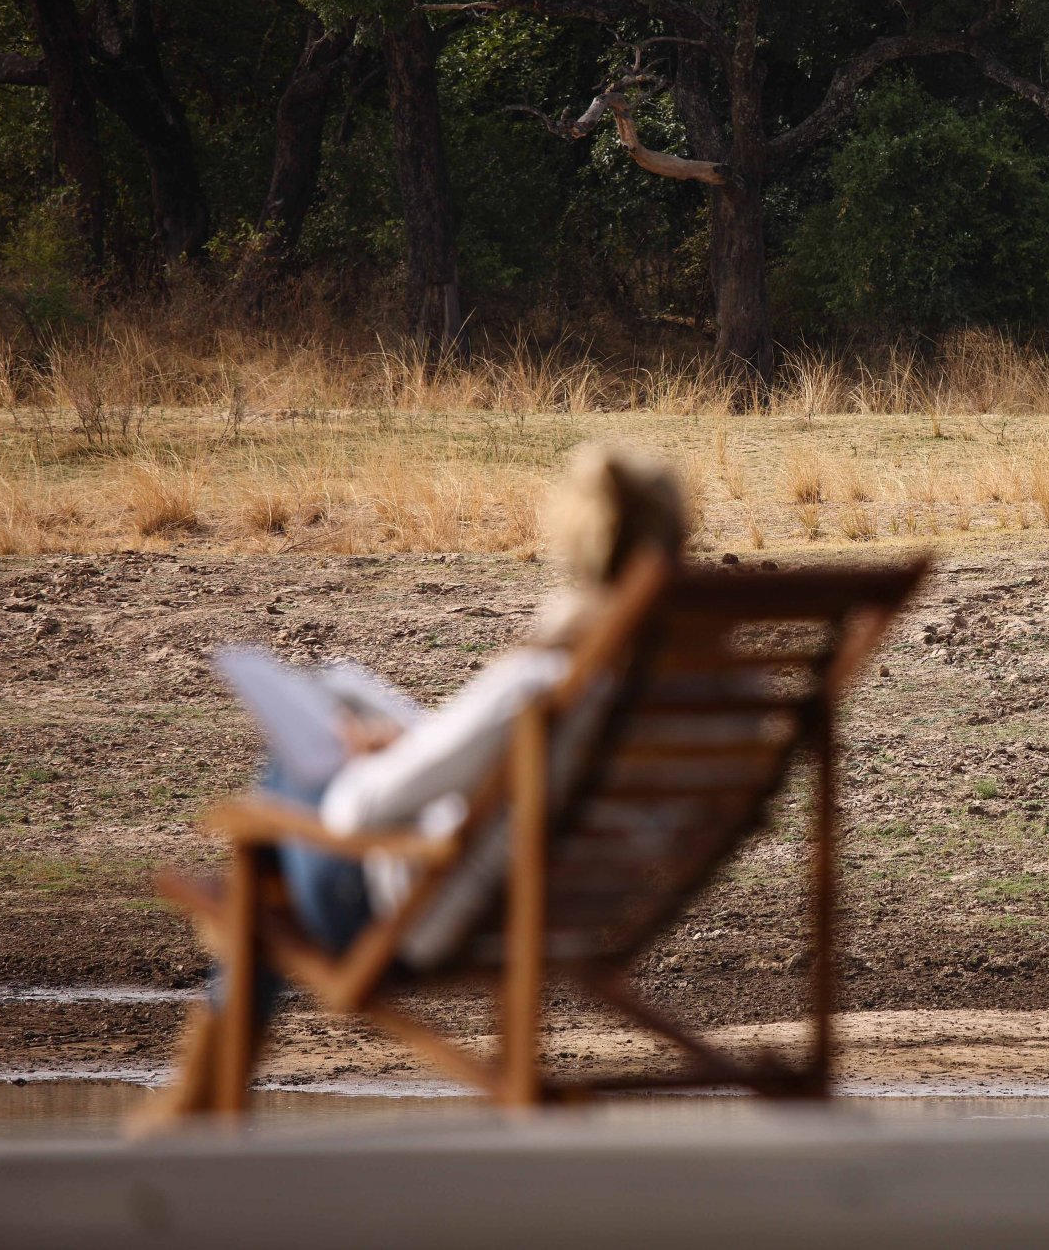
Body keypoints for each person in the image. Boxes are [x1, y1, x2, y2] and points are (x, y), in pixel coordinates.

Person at [142, 445, 685, 1119]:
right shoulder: (690, 691)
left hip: (435, 918)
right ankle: (202, 1075)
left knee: (285, 796)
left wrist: (368, 761)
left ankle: (197, 1094)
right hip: (592, 909)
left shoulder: (540, 680)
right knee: (280, 862)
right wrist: (425, 750)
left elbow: (355, 815)